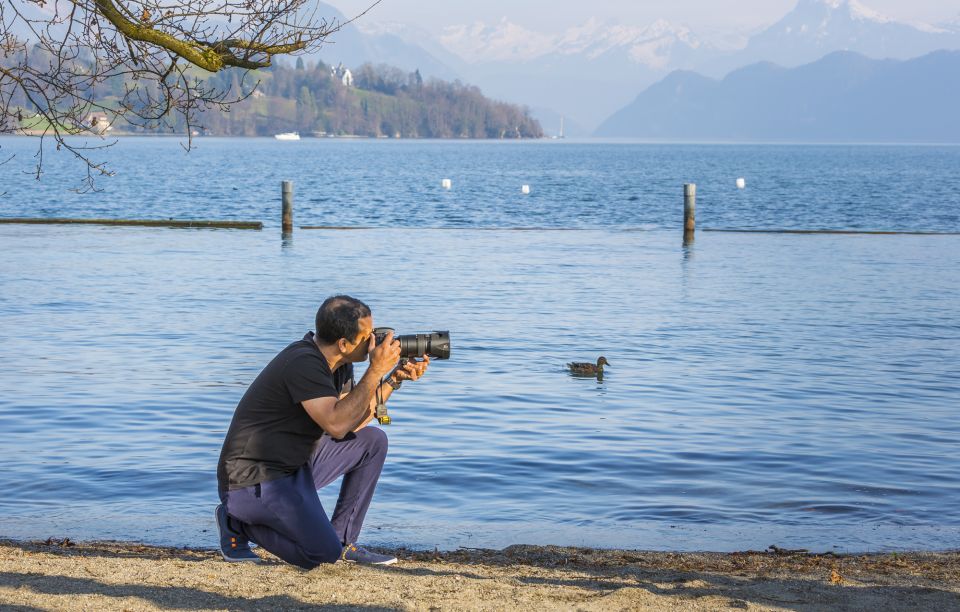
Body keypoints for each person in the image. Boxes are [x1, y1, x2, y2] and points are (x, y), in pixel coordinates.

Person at [215, 295, 429, 567]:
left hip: (294, 466)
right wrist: (375, 371)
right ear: (343, 343)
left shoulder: (340, 364)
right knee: (319, 554)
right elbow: (336, 424)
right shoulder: (303, 362)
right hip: (253, 479)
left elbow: (351, 422)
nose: (374, 342)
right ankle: (236, 522)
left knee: (373, 440)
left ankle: (342, 541)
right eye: (367, 336)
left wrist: (393, 380)